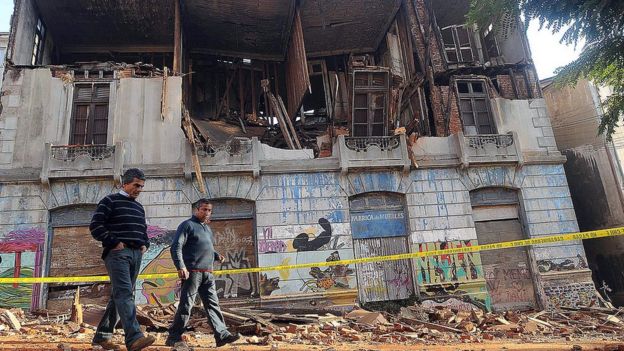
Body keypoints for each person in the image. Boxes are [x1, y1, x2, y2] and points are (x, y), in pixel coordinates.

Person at [90, 168, 155, 351]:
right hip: (118, 254)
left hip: (136, 254)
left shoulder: (138, 207)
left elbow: (143, 230)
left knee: (120, 296)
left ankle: (102, 337)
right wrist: (114, 242)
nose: (139, 189)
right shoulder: (109, 201)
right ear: (124, 183)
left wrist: (145, 244)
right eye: (136, 185)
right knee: (125, 294)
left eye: (141, 186)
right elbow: (95, 226)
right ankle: (134, 338)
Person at [166, 198, 240, 347]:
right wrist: (181, 266)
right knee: (186, 305)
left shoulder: (207, 228)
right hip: (193, 273)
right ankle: (174, 337)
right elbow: (176, 246)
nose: (207, 212)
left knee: (213, 305)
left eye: (209, 210)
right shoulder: (187, 225)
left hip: (208, 273)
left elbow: (206, 248)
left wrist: (216, 255)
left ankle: (222, 335)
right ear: (197, 210)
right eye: (204, 210)